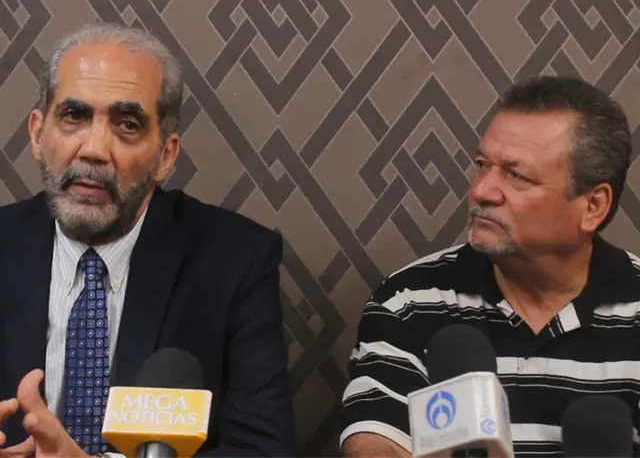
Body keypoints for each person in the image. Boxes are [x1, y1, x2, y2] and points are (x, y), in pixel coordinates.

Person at [0, 23, 296, 458]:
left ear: (165, 156)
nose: (94, 149)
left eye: (127, 125)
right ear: (37, 134)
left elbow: (263, 450)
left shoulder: (235, 261)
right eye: (74, 116)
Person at [340, 75, 640, 457]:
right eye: (482, 165)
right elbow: (375, 445)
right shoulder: (410, 301)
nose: (481, 191)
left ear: (592, 206)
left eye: (517, 175)